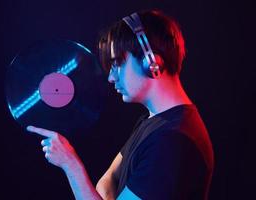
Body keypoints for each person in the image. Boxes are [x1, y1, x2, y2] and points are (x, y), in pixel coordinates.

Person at [27, 9, 214, 200]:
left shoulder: (172, 141)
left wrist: (70, 164)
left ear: (151, 62)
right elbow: (109, 179)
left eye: (117, 64)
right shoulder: (153, 120)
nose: (110, 77)